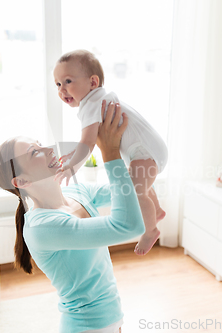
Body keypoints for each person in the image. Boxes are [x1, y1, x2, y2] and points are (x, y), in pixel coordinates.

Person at [0, 101, 144, 333]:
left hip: (112, 315)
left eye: (40, 144)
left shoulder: (78, 192)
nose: (49, 149)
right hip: (86, 325)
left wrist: (133, 142)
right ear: (21, 182)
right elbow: (128, 226)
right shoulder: (42, 228)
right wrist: (109, 152)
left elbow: (132, 185)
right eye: (34, 152)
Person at [53, 49, 168, 256]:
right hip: (150, 150)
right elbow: (85, 143)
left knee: (134, 192)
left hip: (144, 154)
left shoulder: (91, 105)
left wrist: (72, 167)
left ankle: (150, 231)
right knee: (140, 184)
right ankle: (157, 210)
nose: (62, 90)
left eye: (68, 81)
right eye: (58, 84)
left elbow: (87, 144)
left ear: (93, 82)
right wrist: (74, 155)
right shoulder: (99, 99)